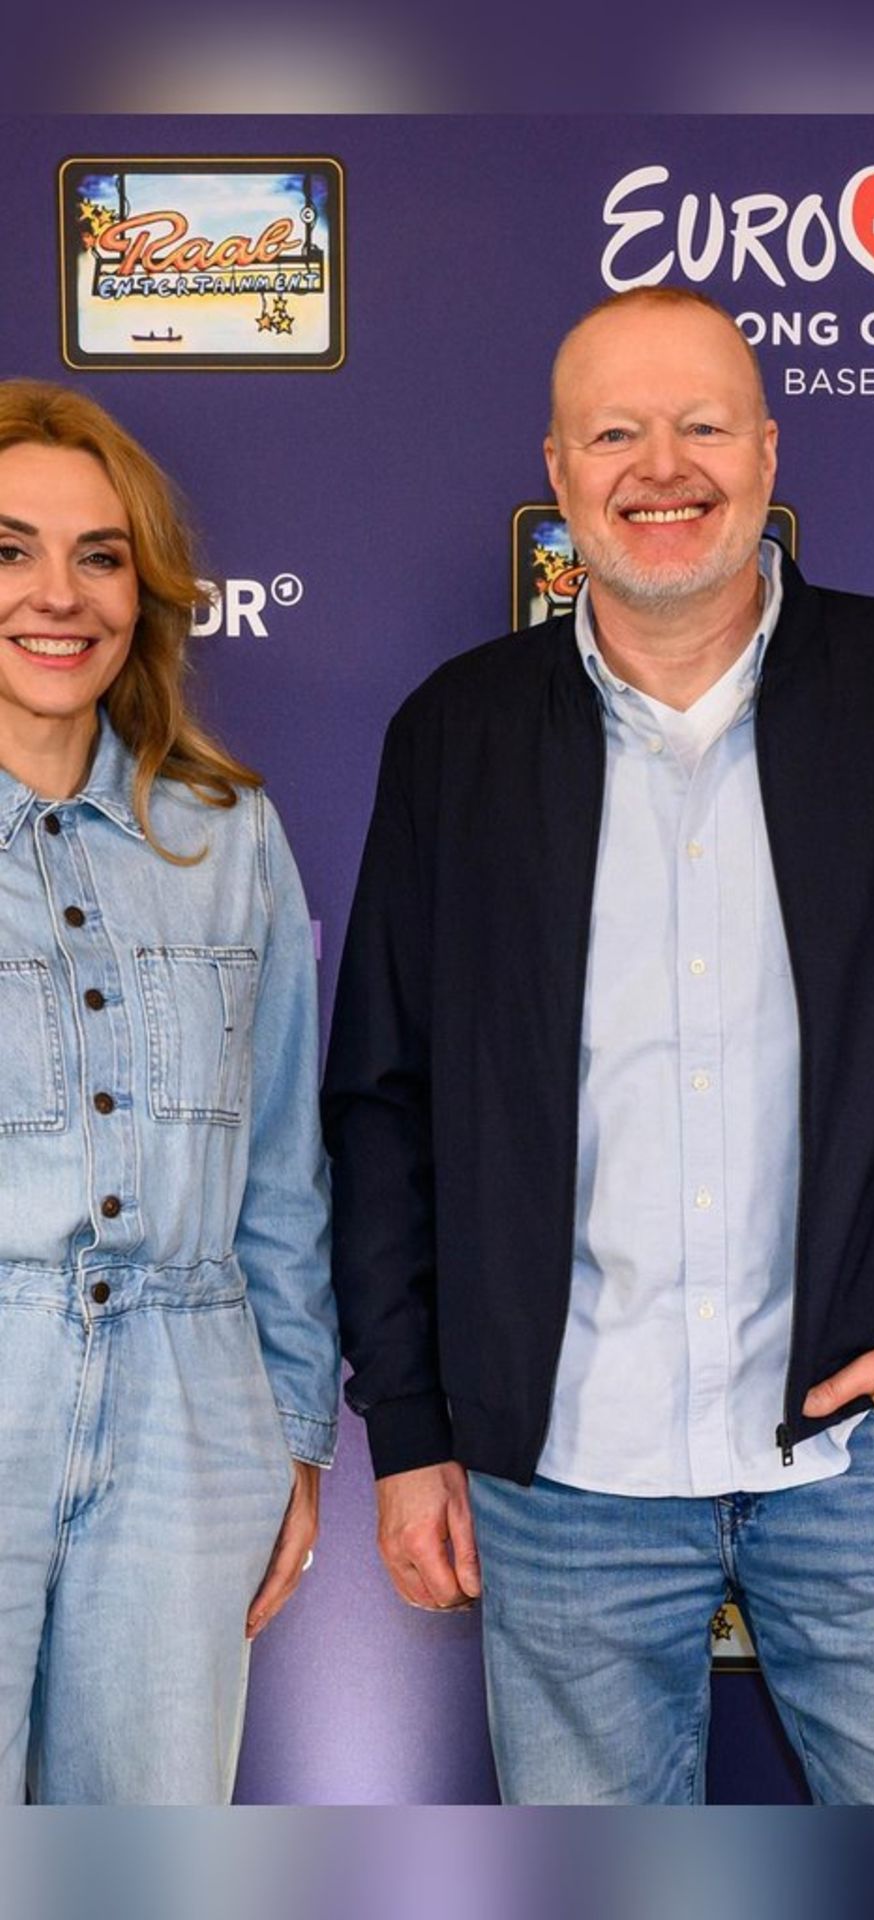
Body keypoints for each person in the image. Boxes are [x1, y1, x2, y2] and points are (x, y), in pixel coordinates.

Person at [323, 286, 874, 1806]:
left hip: (862, 1473)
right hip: (562, 1488)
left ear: (767, 450)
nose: (662, 466)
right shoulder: (456, 738)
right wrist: (411, 1425)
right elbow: (385, 1104)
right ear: (557, 472)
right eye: (617, 432)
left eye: (701, 425)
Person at [0, 381, 337, 1805]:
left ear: (148, 587)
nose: (56, 595)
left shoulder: (227, 835)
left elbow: (282, 1165)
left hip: (192, 1414)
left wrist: (298, 1434)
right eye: (7, 549)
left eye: (101, 553)